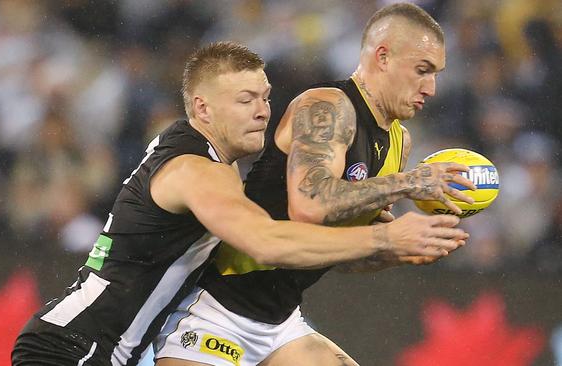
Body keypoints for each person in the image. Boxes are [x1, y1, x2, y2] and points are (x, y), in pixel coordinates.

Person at [12, 41, 467, 366]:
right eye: (245, 100)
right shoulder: (196, 171)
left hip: (102, 347)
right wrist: (385, 231)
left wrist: (386, 250)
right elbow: (267, 242)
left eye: (266, 97)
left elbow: (291, 253)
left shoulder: (216, 164)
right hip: (72, 348)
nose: (263, 112)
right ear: (203, 108)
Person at [153, 4, 475, 366]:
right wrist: (410, 182)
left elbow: (335, 253)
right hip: (216, 309)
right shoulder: (327, 106)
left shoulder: (400, 143)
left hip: (281, 324)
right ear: (383, 57)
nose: (431, 88)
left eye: (436, 74)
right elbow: (308, 205)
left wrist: (394, 253)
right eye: (422, 70)